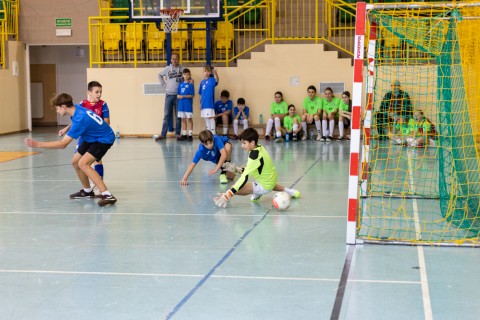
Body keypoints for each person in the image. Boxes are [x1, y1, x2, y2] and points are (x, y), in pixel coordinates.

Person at [24, 93, 117, 207]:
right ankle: (87, 191)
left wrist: (38, 144)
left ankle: (107, 195)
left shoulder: (80, 118)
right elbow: (76, 121)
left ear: (63, 107)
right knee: (75, 162)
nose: (57, 111)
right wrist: (67, 128)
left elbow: (63, 144)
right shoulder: (76, 108)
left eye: (57, 109)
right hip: (91, 136)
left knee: (83, 163)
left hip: (104, 138)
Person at [214, 128, 301, 208]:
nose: (242, 146)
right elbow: (253, 168)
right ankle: (291, 191)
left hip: (264, 185)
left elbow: (245, 177)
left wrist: (228, 194)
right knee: (269, 184)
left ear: (252, 143)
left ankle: (258, 191)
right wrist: (237, 170)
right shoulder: (259, 147)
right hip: (271, 178)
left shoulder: (254, 156)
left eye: (244, 143)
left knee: (235, 187)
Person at [59, 81, 110, 181]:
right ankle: (87, 185)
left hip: (97, 136)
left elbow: (107, 123)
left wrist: (95, 125)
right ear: (89, 92)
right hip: (85, 137)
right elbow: (76, 120)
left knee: (97, 160)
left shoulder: (103, 104)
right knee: (77, 160)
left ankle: (98, 182)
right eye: (97, 92)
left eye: (100, 92)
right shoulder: (82, 104)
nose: (99, 94)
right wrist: (66, 128)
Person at [156, 53, 184, 141]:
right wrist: (164, 84)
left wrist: (190, 81)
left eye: (176, 59)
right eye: (173, 59)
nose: (174, 60)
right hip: (169, 95)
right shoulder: (167, 69)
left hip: (178, 96)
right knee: (166, 115)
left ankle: (178, 134)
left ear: (178, 59)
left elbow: (188, 78)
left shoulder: (182, 69)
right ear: (171, 60)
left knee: (178, 116)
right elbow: (159, 75)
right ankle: (163, 134)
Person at [199, 65, 220, 134]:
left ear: (210, 72)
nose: (206, 72)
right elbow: (201, 94)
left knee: (211, 117)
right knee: (206, 118)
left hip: (209, 103)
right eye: (205, 71)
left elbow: (217, 81)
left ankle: (213, 133)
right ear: (203, 72)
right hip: (203, 104)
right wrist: (200, 103)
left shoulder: (212, 80)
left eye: (208, 71)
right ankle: (208, 133)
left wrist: (216, 74)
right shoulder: (202, 82)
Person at [177, 68, 195, 141]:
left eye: (187, 74)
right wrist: (178, 96)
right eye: (184, 74)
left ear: (190, 75)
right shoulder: (180, 84)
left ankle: (190, 135)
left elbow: (192, 95)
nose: (186, 76)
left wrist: (183, 96)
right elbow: (178, 93)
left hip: (188, 105)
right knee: (183, 120)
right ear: (182, 75)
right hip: (181, 105)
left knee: (189, 119)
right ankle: (184, 134)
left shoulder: (191, 85)